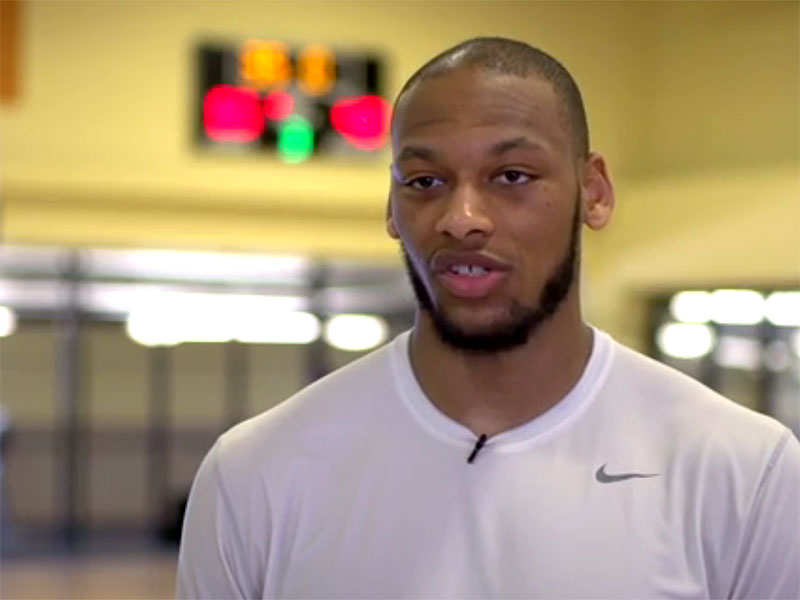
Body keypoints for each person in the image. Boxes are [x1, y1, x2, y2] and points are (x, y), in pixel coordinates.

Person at [176, 37, 800, 599]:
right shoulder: (257, 472)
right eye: (424, 180)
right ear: (392, 206)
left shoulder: (744, 470)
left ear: (596, 192)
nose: (462, 217)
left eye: (511, 176)